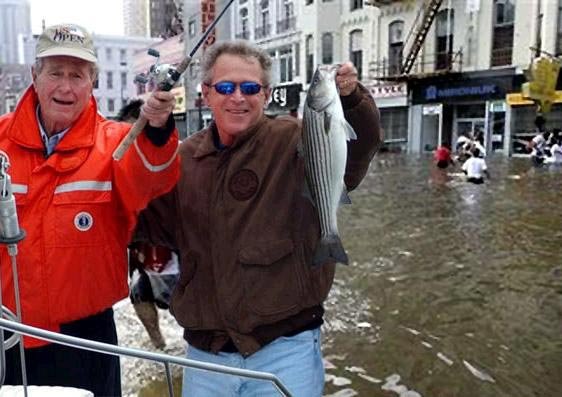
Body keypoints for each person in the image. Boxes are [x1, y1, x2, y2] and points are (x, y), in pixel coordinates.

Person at [136, 40, 381, 396]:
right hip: (207, 357)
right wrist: (151, 140)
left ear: (266, 94)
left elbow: (358, 150)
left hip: (286, 350)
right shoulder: (182, 159)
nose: (239, 97)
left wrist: (353, 101)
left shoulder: (296, 138)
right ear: (206, 92)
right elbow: (143, 220)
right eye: (226, 87)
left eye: (250, 88)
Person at [0, 24, 180, 396]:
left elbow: (153, 176)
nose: (66, 87)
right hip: (5, 332)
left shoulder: (117, 141)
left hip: (85, 341)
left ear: (93, 82)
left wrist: (159, 130)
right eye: (55, 73)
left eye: (77, 75)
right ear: (35, 76)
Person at [116, 99, 179, 349]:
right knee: (138, 293)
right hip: (147, 254)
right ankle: (160, 346)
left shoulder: (176, 162)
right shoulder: (117, 168)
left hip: (184, 255)